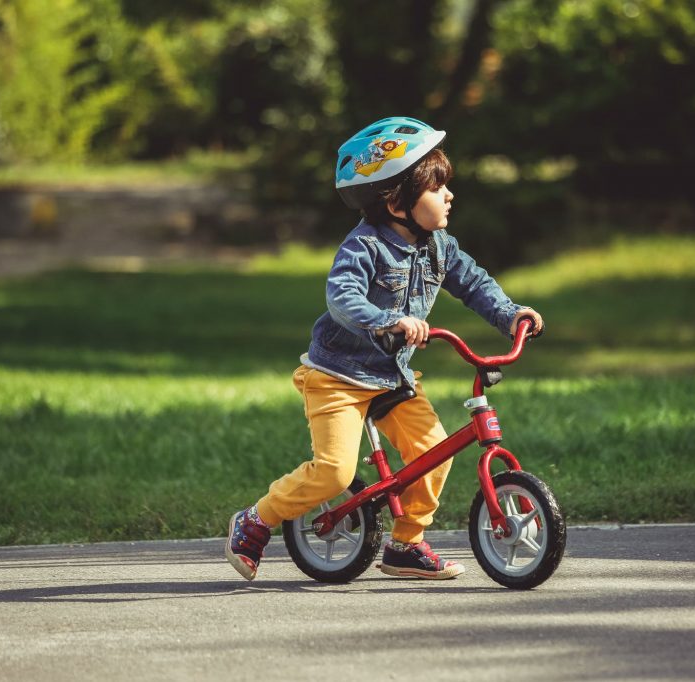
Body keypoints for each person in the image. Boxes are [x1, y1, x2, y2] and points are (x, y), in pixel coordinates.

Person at [226, 116, 543, 581]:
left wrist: (510, 315)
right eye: (437, 188)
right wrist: (387, 321)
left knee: (433, 452)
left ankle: (406, 545)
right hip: (337, 377)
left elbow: (474, 284)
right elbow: (342, 297)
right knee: (334, 474)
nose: (449, 195)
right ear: (396, 202)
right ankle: (257, 519)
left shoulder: (440, 246)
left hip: (393, 378)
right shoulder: (364, 247)